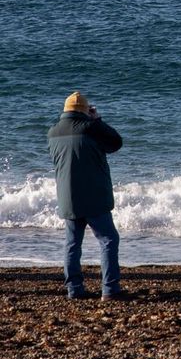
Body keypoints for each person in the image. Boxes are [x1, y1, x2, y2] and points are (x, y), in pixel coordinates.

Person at [47, 91, 125, 300]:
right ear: (85, 111)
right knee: (108, 239)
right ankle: (110, 289)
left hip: (67, 196)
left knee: (72, 243)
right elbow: (116, 142)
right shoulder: (90, 128)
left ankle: (74, 289)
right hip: (94, 196)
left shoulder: (53, 132)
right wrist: (98, 120)